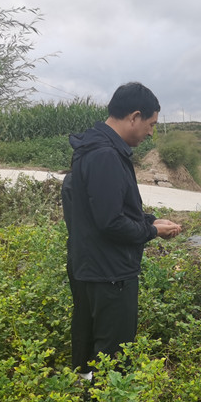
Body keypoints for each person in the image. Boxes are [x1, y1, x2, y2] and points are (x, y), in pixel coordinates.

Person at [62, 82, 182, 378]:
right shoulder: (105, 155)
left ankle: (85, 396)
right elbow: (111, 222)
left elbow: (103, 210)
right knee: (113, 350)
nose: (151, 132)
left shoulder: (92, 148)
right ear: (134, 116)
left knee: (88, 337)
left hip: (89, 262)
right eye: (151, 124)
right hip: (110, 270)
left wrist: (148, 221)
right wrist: (152, 232)